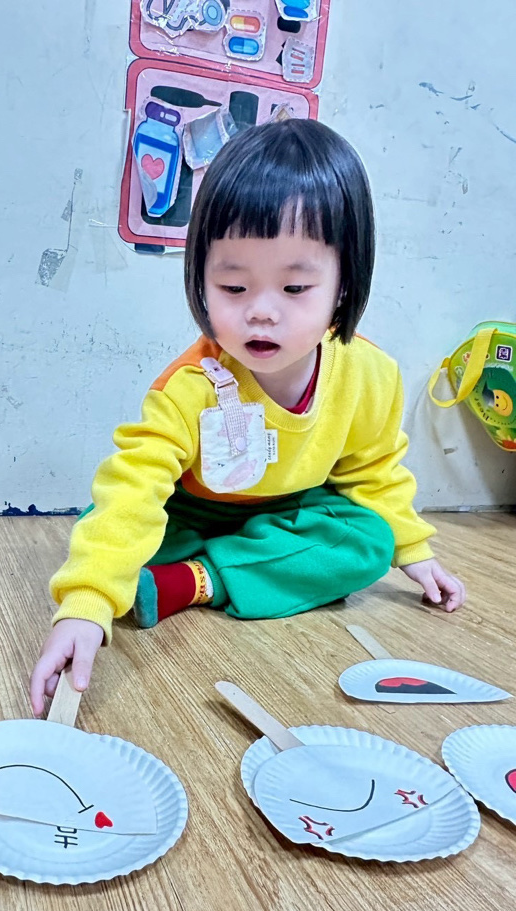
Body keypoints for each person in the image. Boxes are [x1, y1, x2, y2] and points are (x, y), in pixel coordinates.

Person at [29, 118, 465, 715]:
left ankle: (194, 582)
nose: (261, 312)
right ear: (201, 280)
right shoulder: (190, 386)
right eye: (233, 287)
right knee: (109, 524)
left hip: (289, 510)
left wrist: (414, 550)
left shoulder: (370, 375)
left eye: (295, 289)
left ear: (343, 285)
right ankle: (229, 566)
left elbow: (373, 471)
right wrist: (85, 604)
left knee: (368, 541)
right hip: (194, 511)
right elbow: (135, 485)